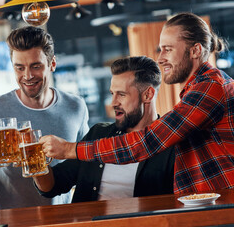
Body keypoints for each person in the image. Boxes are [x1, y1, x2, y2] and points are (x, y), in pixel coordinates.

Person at [40, 12, 234, 195]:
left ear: (195, 50)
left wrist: (68, 149)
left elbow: (147, 142)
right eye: (160, 49)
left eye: (168, 49)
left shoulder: (210, 87)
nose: (160, 58)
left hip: (224, 207)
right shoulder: (201, 88)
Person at [0, 26, 89, 210]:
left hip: (62, 220)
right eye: (19, 68)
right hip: (9, 221)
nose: (27, 76)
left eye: (36, 66)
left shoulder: (76, 106)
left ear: (52, 63)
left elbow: (86, 167)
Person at [33, 56, 175, 202]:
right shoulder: (98, 133)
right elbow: (52, 186)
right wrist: (34, 161)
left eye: (121, 94)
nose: (113, 103)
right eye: (112, 93)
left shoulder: (171, 146)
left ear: (148, 94)